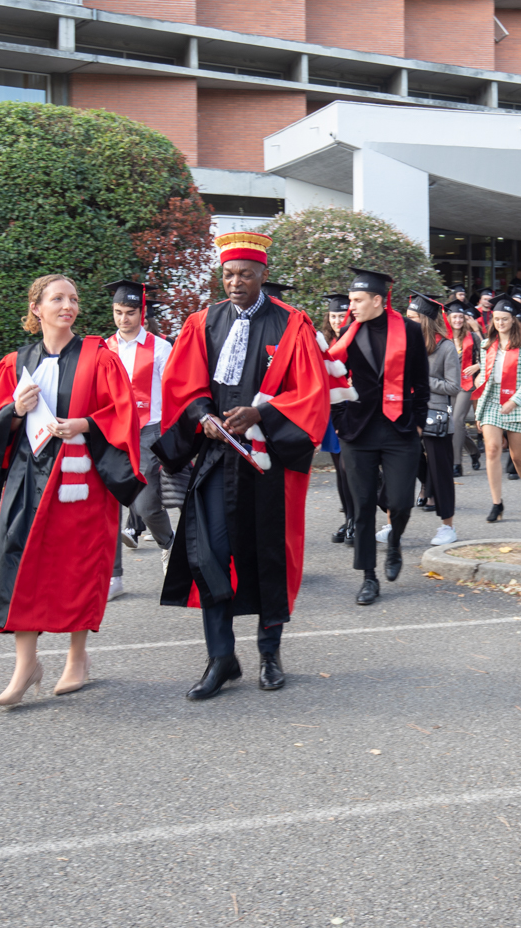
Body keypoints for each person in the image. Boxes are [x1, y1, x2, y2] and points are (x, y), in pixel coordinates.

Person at [154, 232, 329, 700]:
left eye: (245, 275)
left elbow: (311, 394)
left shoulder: (292, 325)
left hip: (267, 462)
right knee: (209, 554)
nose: (235, 283)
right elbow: (182, 387)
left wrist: (262, 414)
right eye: (228, 274)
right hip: (215, 460)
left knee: (268, 554)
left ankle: (269, 653)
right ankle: (221, 658)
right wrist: (202, 416)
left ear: (263, 276)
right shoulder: (202, 322)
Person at [0, 274, 144, 708]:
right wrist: (14, 413)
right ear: (36, 309)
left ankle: (77, 658)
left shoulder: (100, 357)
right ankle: (27, 665)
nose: (68, 305)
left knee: (79, 566)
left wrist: (83, 425)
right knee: (21, 565)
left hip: (81, 480)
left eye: (74, 299)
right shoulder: (15, 363)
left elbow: (122, 415)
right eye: (57, 298)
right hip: (28, 482)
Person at [331, 268, 428, 605]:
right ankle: (369, 577)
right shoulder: (347, 333)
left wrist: (417, 421)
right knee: (362, 508)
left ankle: (396, 541)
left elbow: (421, 381)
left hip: (399, 429)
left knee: (400, 503)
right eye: (350, 300)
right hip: (357, 431)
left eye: (357, 300)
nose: (351, 306)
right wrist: (340, 422)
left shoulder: (411, 331)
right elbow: (335, 382)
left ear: (377, 300)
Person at [103, 280, 176, 598]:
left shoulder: (160, 348)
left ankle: (169, 544)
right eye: (118, 312)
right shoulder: (105, 348)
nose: (123, 319)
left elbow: (174, 391)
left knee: (146, 506)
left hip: (149, 432)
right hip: (112, 433)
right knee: (109, 507)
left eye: (130, 312)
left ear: (141, 312)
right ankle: (113, 577)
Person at [473, 294, 521, 521]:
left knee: (517, 457)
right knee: (492, 450)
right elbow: (485, 376)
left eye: (504, 319)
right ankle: (497, 504)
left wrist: (514, 401)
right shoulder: (486, 345)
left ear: (513, 320)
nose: (499, 323)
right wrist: (479, 406)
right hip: (492, 402)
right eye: (496, 319)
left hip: (517, 404)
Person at [408, 294, 461, 545]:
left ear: (426, 321)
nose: (408, 322)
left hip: (435, 415)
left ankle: (447, 528)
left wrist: (420, 379)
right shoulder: (406, 341)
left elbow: (453, 386)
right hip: (407, 411)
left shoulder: (446, 347)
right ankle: (391, 524)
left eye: (413, 318)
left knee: (441, 472)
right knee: (399, 464)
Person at [317, 293, 358, 545]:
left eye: (341, 316)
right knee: (339, 471)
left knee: (348, 467)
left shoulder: (354, 339)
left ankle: (356, 520)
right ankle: (348, 519)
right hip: (330, 411)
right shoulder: (324, 342)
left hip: (351, 409)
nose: (336, 320)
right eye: (333, 316)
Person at [444, 300, 483, 477]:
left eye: (461, 317)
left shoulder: (473, 337)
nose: (458, 320)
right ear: (449, 318)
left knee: (457, 419)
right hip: (448, 384)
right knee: (455, 423)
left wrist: (478, 366)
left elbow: (487, 356)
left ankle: (456, 463)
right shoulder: (443, 337)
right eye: (455, 317)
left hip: (466, 384)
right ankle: (474, 452)